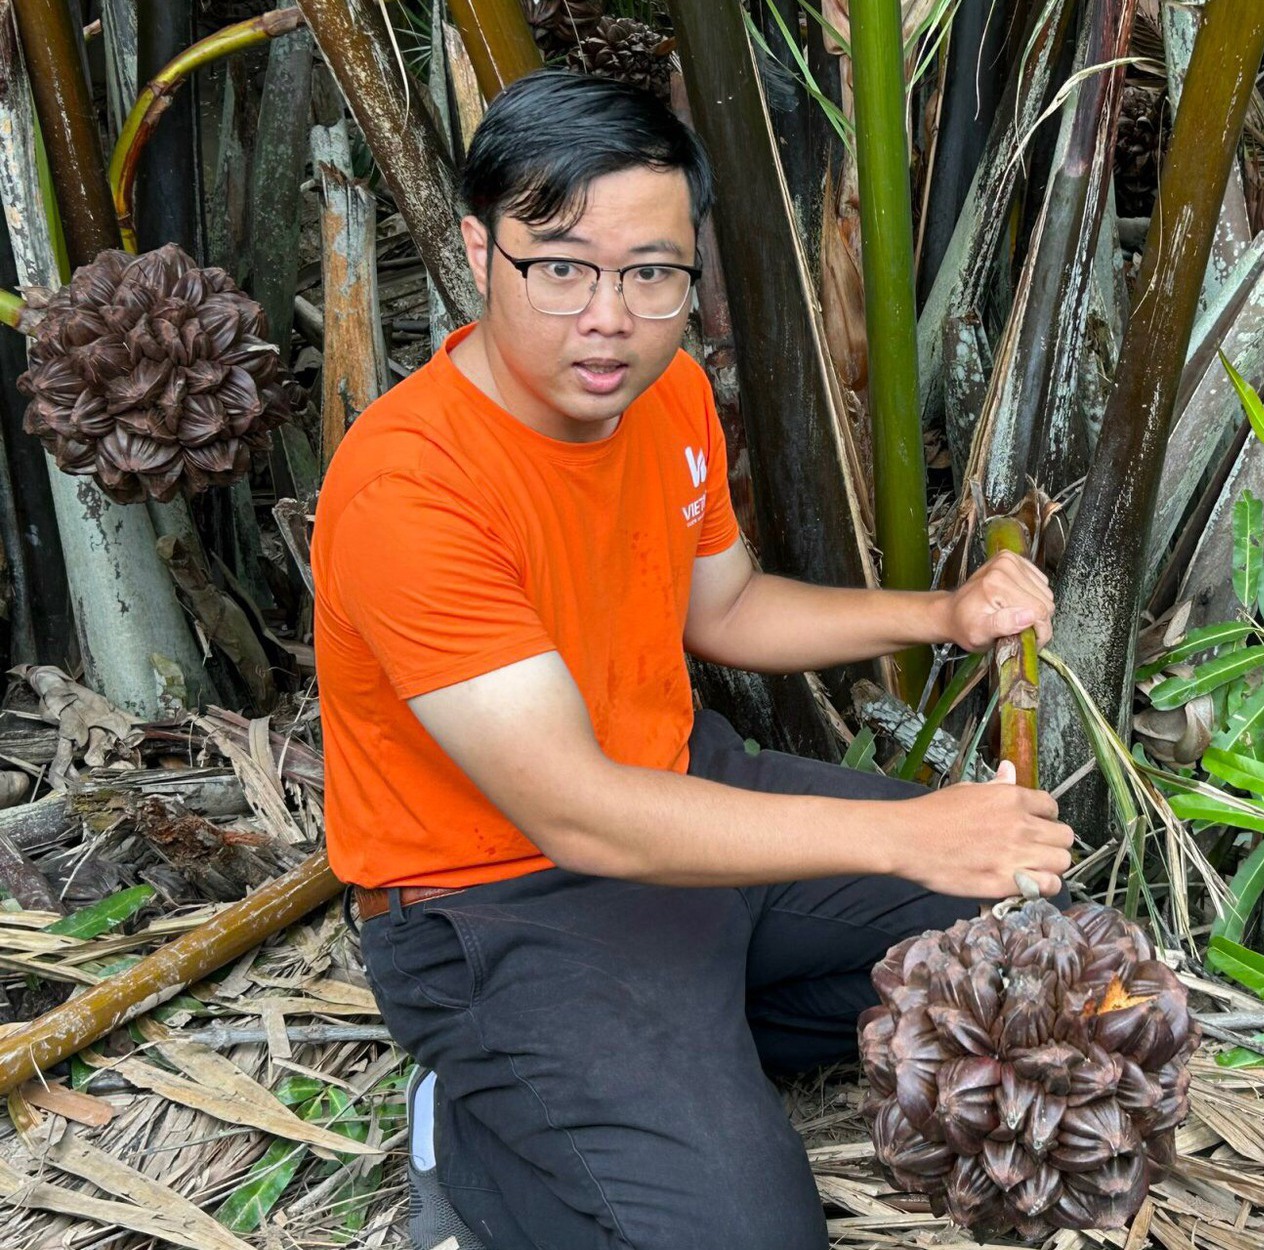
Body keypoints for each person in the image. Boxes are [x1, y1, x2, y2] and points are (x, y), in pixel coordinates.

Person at [310, 69, 1071, 1250]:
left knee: (995, 929)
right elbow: (582, 818)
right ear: (480, 249)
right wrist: (902, 829)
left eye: (651, 272)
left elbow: (726, 606)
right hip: (503, 902)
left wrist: (943, 612)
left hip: (685, 801)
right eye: (560, 266)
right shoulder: (410, 487)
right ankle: (489, 1117)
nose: (609, 315)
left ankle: (664, 1052)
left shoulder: (662, 394)